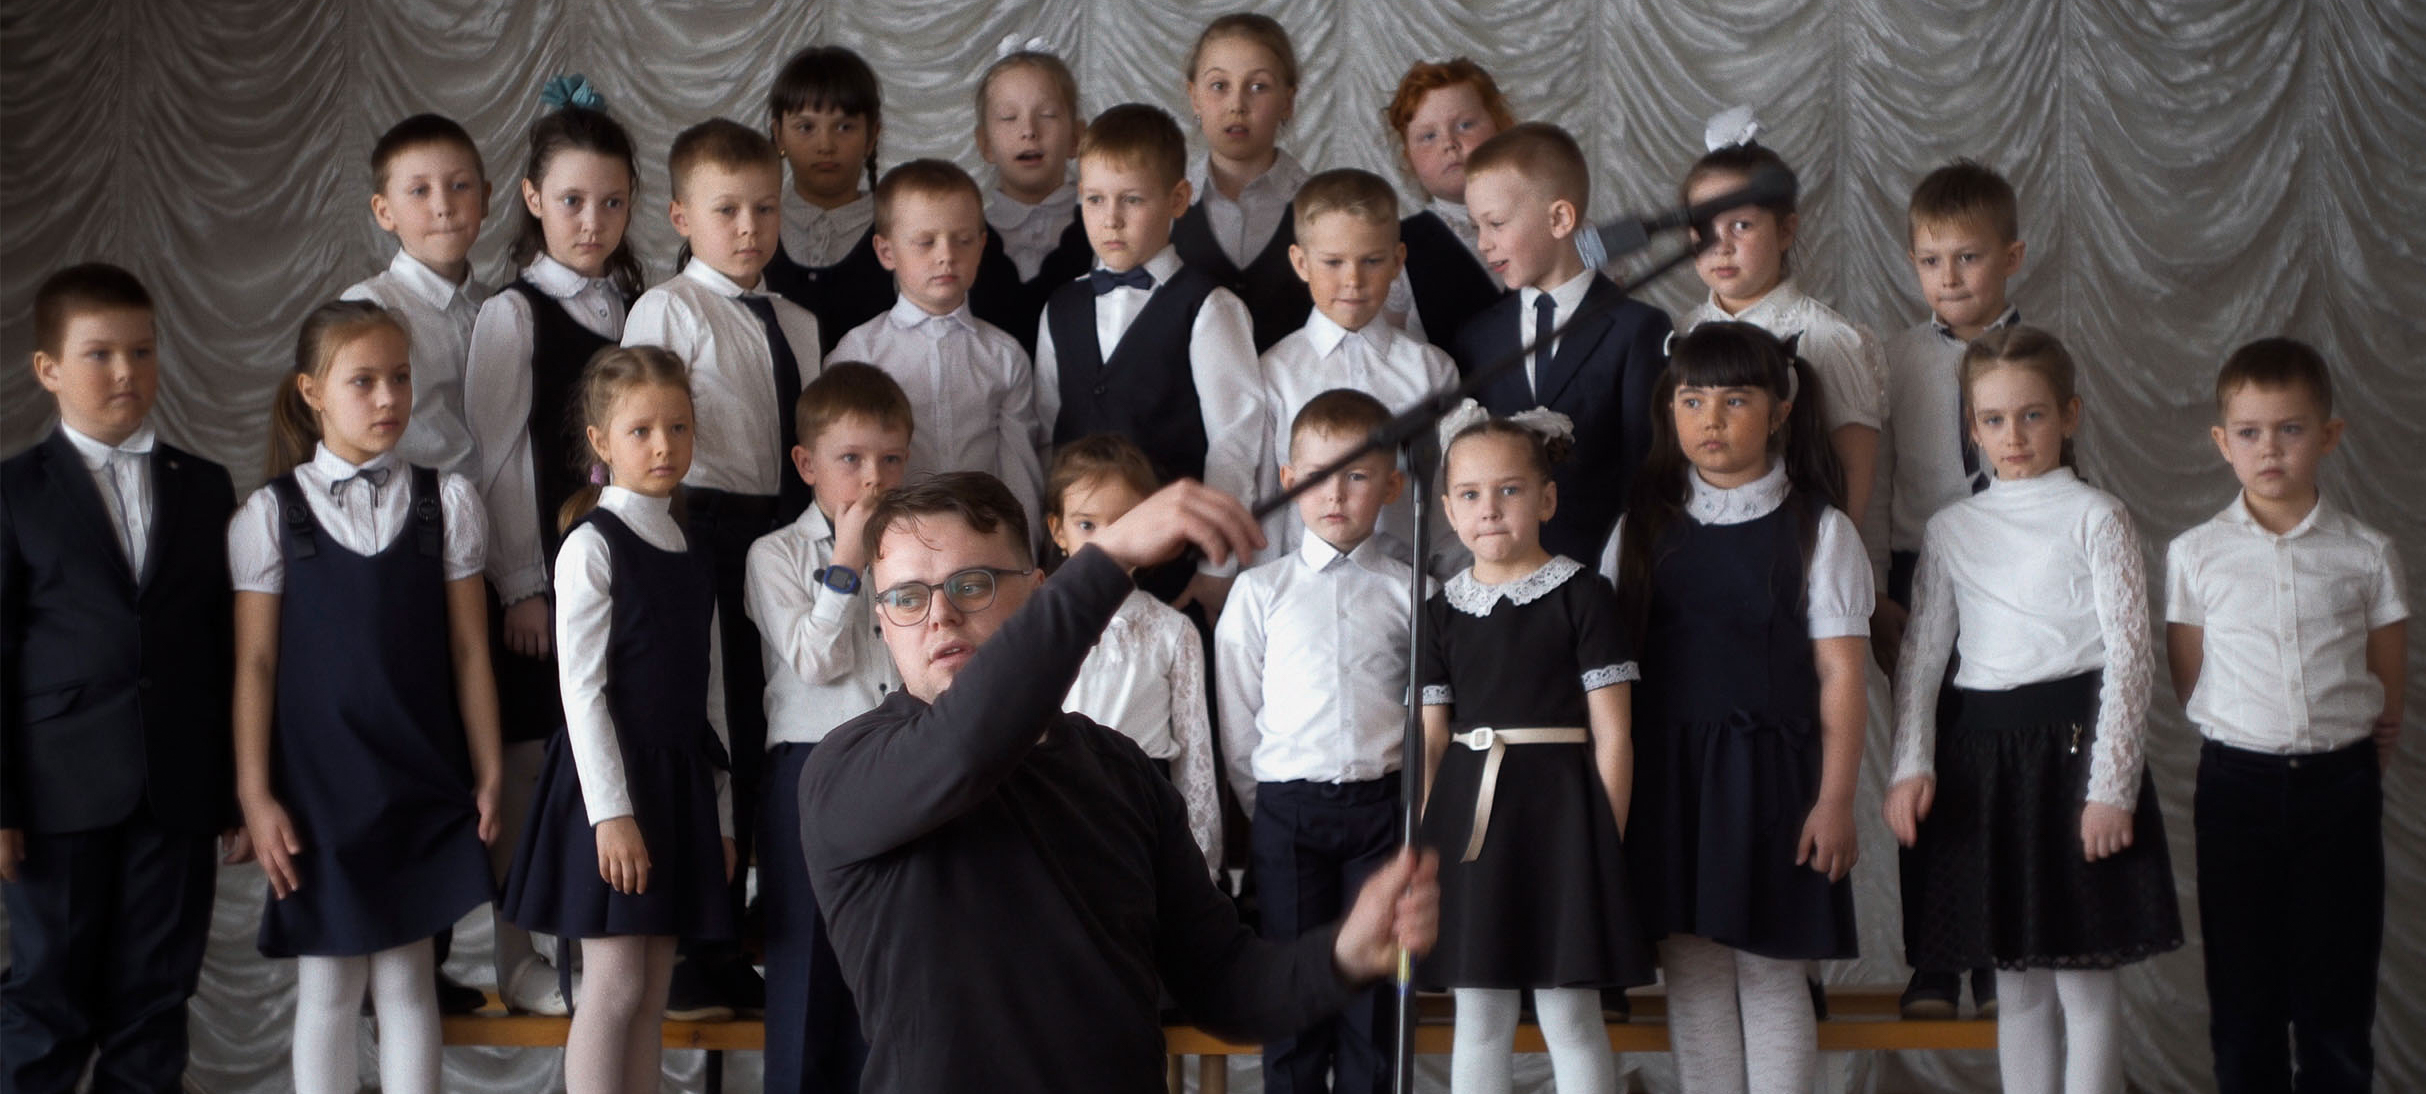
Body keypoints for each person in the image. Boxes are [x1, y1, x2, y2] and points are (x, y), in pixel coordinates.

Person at [798, 471, 1436, 1093]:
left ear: (1039, 591)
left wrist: (1344, 955)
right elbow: (967, 746)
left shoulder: (1121, 770)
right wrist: (1112, 557)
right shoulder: (844, 769)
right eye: (907, 597)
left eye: (973, 584)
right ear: (882, 621)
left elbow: (1223, 983)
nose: (939, 616)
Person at [1885, 327, 2183, 1094]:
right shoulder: (1952, 529)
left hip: (2075, 755)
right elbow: (1921, 659)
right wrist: (1911, 764)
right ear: (1969, 426)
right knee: (2014, 984)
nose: (2011, 437)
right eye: (1991, 420)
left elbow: (2130, 655)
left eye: (2032, 416)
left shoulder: (2099, 516)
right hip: (1983, 763)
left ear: (2070, 415)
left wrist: (2110, 788)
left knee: (2082, 982)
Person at [229, 300, 502, 1094]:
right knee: (330, 988)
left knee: (410, 981)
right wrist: (254, 792)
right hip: (320, 789)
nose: (388, 398)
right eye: (363, 381)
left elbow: (469, 649)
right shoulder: (271, 517)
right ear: (312, 391)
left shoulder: (442, 503)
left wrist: (484, 771)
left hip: (419, 778)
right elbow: (253, 663)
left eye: (400, 378)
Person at [1607, 322, 1867, 1094]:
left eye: (1733, 399)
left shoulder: (1820, 530)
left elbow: (1841, 679)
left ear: (1780, 410)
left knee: (1773, 974)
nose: (1710, 419)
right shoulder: (1639, 532)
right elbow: (1611, 682)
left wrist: (1837, 800)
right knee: (1692, 977)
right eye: (1691, 400)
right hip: (1670, 784)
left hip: (1776, 786)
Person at [0, 264, 238, 1094]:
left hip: (175, 792)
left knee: (155, 1002)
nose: (126, 372)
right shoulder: (13, 493)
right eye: (99, 355)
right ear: (49, 370)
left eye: (141, 351)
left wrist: (238, 794)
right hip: (53, 795)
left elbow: (224, 650)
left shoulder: (204, 487)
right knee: (45, 998)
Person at [2166, 339, 2406, 1094]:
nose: (2269, 448)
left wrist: (2354, 763)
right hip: (2235, 786)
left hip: (2340, 786)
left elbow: (2388, 685)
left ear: (2328, 435)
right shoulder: (2196, 553)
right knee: (2244, 1000)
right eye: (2250, 431)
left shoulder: (2368, 554)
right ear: (2223, 442)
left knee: (2337, 998)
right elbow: (2189, 675)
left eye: (2290, 429)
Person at [622, 116, 820, 1017]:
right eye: (726, 210)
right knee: (713, 728)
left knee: (772, 722)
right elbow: (644, 423)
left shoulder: (801, 323)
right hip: (699, 529)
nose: (748, 228)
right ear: (681, 216)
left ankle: (765, 928)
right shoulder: (670, 309)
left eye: (765, 208)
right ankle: (703, 938)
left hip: (783, 540)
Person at [501, 346, 738, 1094]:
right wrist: (612, 815)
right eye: (641, 430)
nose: (663, 445)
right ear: (602, 443)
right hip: (612, 793)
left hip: (676, 787)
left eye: (678, 426)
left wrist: (723, 813)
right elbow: (582, 693)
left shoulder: (692, 547)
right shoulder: (592, 547)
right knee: (612, 989)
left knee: (651, 991)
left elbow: (712, 695)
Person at [462, 79, 644, 1018]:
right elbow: (495, 464)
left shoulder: (636, 301)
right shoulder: (514, 316)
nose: (593, 220)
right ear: (534, 198)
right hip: (544, 583)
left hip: (624, 577)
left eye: (612, 201)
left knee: (598, 762)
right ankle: (514, 949)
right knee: (534, 766)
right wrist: (522, 586)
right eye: (572, 200)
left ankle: (586, 946)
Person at [1418, 408, 1652, 1094]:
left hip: (1561, 823)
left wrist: (1601, 840)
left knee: (1569, 1011)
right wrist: (1432, 839)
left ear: (1547, 498)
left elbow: (1614, 732)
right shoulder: (1438, 611)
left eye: (1510, 490)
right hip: (1470, 825)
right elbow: (1434, 735)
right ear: (1448, 510)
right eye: (1469, 494)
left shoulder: (1583, 595)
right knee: (1480, 1011)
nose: (1489, 509)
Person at [1217, 390, 1419, 1094]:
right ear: (1287, 478)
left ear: (1391, 485)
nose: (1336, 493)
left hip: (1382, 812)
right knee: (1293, 989)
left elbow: (1425, 712)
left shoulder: (1410, 592)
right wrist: (1269, 800)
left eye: (1359, 475)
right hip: (1288, 814)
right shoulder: (1259, 594)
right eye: (1319, 474)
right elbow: (1240, 720)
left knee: (1373, 997)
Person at [1881, 157, 2027, 1019]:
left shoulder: (2043, 357)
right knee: (1921, 762)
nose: (1950, 277)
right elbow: (1875, 482)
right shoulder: (1896, 357)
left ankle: (2004, 955)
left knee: (2008, 766)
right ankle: (1935, 959)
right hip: (1919, 575)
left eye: (1968, 258)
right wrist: (1874, 594)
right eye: (1933, 260)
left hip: (2017, 581)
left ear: (2011, 256)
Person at [744, 362, 914, 1094]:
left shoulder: (914, 548)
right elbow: (816, 660)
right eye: (850, 460)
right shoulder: (775, 554)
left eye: (890, 459)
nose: (872, 478)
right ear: (807, 464)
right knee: (806, 966)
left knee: (890, 969)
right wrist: (846, 558)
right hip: (809, 771)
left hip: (900, 762)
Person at [1034, 102, 1263, 622]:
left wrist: (1215, 566)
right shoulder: (1061, 308)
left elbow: (1235, 441)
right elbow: (1048, 434)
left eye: (1132, 200)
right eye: (1095, 199)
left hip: (1172, 565)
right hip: (1077, 564)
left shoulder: (1209, 307)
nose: (1111, 219)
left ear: (1178, 198)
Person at [1449, 122, 1671, 565]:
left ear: (1560, 219)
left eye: (1495, 223)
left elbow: (1644, 474)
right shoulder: (1476, 338)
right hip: (1500, 579)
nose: (1482, 243)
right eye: (1477, 226)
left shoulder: (1636, 328)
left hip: (1601, 573)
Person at [1677, 110, 1886, 579]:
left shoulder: (1829, 338)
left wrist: (1825, 568)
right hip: (1700, 556)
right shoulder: (1682, 335)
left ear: (1786, 229)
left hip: (1797, 560)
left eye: (1742, 226)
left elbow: (1855, 473)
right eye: (1705, 226)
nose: (1722, 244)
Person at [832, 159, 1047, 538]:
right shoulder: (859, 352)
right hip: (891, 539)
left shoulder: (1004, 355)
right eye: (925, 242)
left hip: (981, 539)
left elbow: (1019, 472)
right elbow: (840, 466)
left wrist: (1025, 555)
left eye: (962, 240)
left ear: (981, 245)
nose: (946, 255)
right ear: (886, 252)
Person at [1254, 168, 1456, 566]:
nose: (1353, 280)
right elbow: (1266, 497)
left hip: (1407, 590)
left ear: (1398, 260)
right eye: (1332, 262)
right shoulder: (1274, 371)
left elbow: (1446, 496)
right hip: (1300, 589)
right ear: (1300, 262)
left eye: (1372, 261)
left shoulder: (1431, 370)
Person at [1047, 436, 1221, 875]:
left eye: (1125, 523)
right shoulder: (1033, 625)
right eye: (1088, 524)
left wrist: (1201, 863)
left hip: (1142, 816)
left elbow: (1194, 757)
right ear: (1057, 531)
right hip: (1054, 812)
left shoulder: (1172, 630)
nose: (1108, 540)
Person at [341, 114, 491, 482]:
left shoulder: (501, 306)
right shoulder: (369, 308)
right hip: (410, 514)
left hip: (501, 518)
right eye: (419, 191)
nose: (443, 205)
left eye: (459, 185)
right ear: (384, 211)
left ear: (485, 199)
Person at [1172, 12, 1318, 352]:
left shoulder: (1320, 204)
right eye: (1219, 86)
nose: (1237, 105)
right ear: (1194, 97)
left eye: (1258, 87)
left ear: (1287, 101)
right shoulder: (1165, 206)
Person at [762, 45, 894, 355]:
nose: (825, 145)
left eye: (844, 127)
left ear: (872, 135)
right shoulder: (756, 226)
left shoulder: (898, 229)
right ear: (779, 134)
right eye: (806, 127)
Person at [965, 45, 1093, 358]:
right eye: (1009, 118)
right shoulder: (963, 239)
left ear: (1076, 138)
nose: (1029, 131)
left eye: (1047, 115)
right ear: (985, 144)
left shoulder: (1101, 229)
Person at [1382, 57, 1515, 352]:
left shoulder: (1554, 221)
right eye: (1428, 136)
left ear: (1503, 128)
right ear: (1409, 157)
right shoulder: (1397, 251)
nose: (1450, 143)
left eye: (1466, 125)